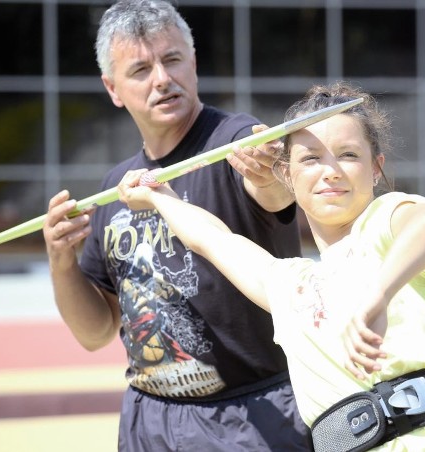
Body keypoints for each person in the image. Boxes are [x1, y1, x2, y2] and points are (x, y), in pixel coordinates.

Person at [117, 81, 425, 452]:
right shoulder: (289, 285)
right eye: (311, 159)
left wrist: (378, 295)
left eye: (348, 155)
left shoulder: (385, 221)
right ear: (287, 175)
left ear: (376, 168)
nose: (330, 171)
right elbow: (214, 239)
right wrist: (158, 196)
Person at [43, 1, 311, 450]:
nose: (162, 79)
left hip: (253, 418)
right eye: (141, 70)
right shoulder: (116, 189)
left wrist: (269, 173)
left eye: (172, 60)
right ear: (113, 88)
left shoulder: (235, 143)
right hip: (149, 420)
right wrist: (61, 261)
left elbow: (274, 193)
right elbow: (95, 333)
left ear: (194, 63)